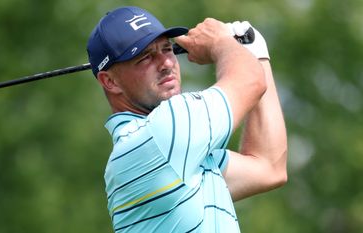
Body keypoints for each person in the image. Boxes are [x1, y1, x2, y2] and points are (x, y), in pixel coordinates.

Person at [87, 6, 287, 233]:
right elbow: (250, 80)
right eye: (145, 57)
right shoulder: (160, 136)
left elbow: (269, 167)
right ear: (109, 81)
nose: (166, 63)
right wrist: (222, 43)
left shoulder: (178, 156)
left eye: (167, 49)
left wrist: (257, 55)